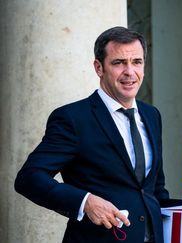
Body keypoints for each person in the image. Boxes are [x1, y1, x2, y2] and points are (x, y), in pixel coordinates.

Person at [15, 26, 169, 243]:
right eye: (118, 63)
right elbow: (29, 178)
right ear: (99, 67)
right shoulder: (72, 118)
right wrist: (85, 202)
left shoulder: (152, 115)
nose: (129, 72)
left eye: (137, 62)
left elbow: (155, 188)